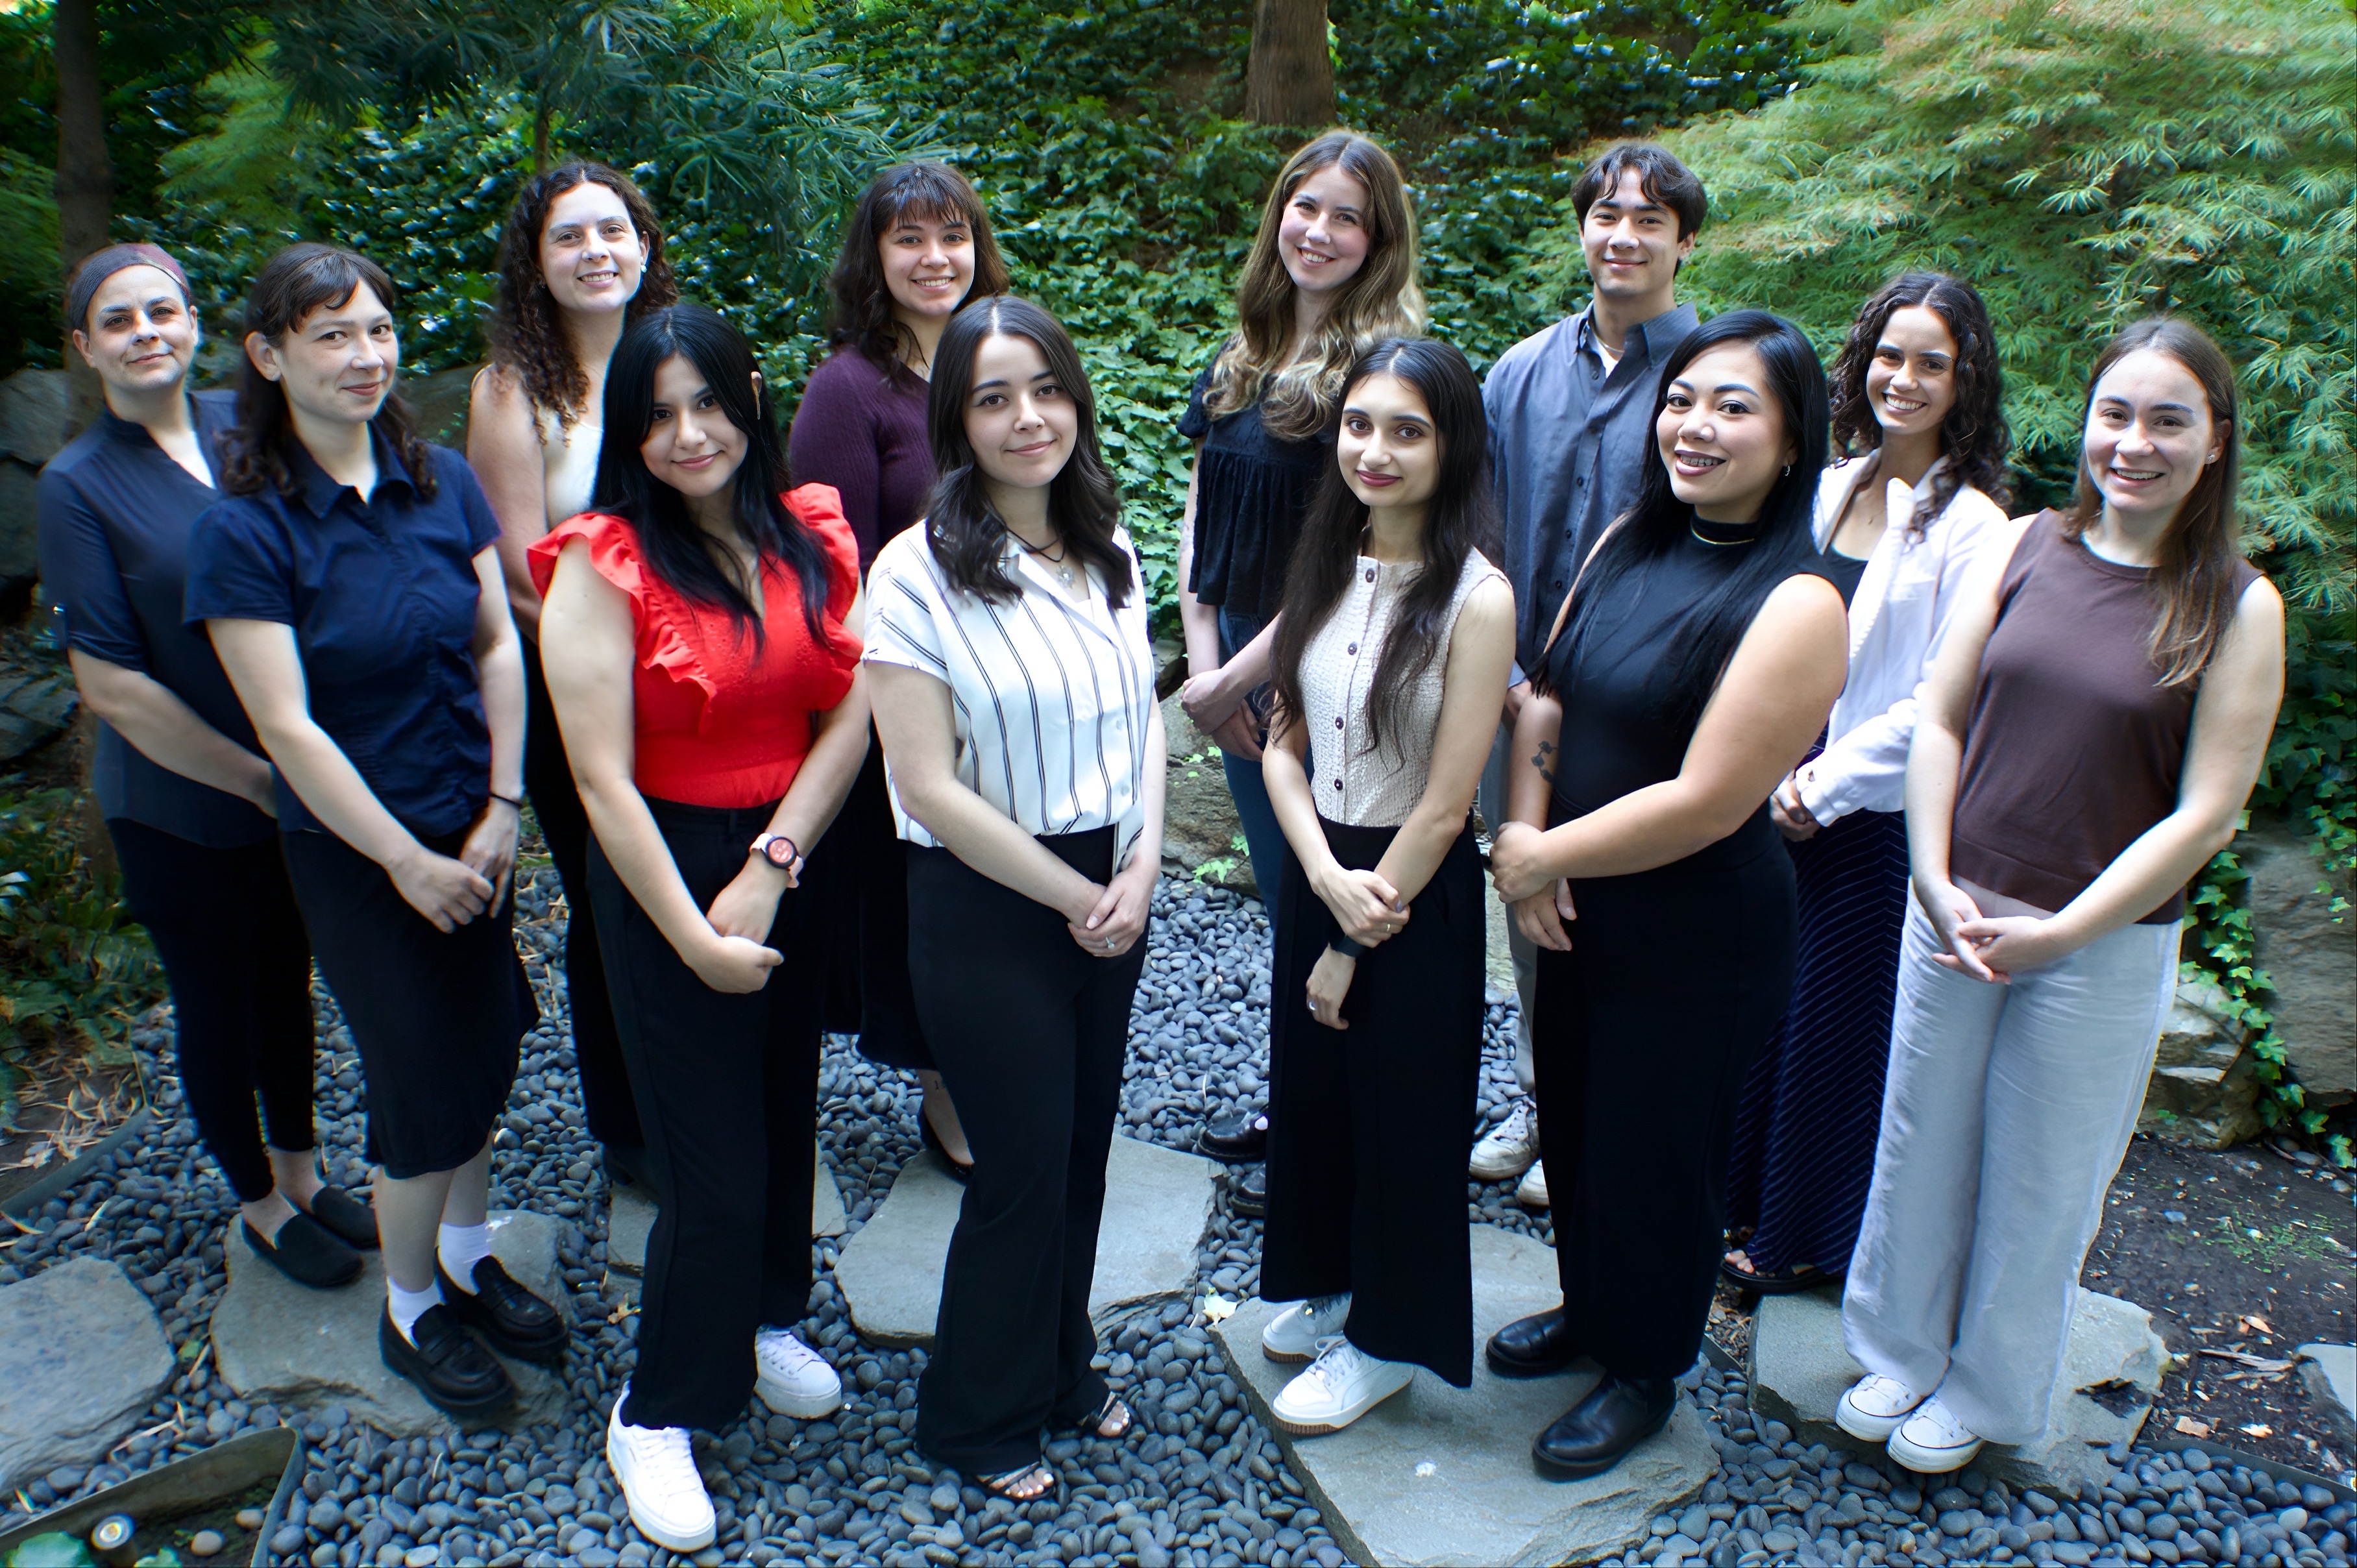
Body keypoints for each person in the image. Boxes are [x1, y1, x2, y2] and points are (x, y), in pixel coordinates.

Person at [1835, 316, 2284, 1474]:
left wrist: (2068, 929)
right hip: (1954, 905)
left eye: (2168, 420)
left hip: (2100, 941)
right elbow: (1940, 717)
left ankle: (1986, 1390)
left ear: (2216, 442)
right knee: (1920, 1137)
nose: (2134, 443)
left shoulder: (2238, 605)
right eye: (2116, 414)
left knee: (2042, 1170)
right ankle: (1898, 1349)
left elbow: (2206, 811)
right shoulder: (2025, 544)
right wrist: (1931, 878)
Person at [188, 243, 559, 1417]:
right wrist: (401, 859)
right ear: (268, 354)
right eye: (332, 334)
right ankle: (408, 1309)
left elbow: (496, 642)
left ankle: (463, 1252)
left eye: (379, 330)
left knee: (490, 1032)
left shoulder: (439, 476)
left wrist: (503, 808)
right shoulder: (244, 528)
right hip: (361, 854)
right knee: (417, 1072)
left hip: (471, 822)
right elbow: (287, 728)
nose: (366, 356)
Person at [1485, 310, 1849, 1478]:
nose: (1694, 426)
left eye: (1733, 406)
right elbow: (1543, 695)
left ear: (1792, 441)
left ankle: (1645, 1366)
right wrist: (1527, 837)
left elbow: (1708, 798)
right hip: (1577, 895)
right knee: (1583, 1121)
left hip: (1699, 927)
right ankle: (1591, 1311)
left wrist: (1548, 859)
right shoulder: (1627, 539)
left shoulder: (1802, 600)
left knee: (1661, 1147)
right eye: (1683, 399)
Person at [533, 304, 864, 1551]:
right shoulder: (600, 562)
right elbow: (602, 783)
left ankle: (766, 1317)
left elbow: (850, 716)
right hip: (662, 867)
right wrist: (694, 931)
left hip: (789, 850)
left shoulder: (807, 532)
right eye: (659, 412)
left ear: (752, 398)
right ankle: (657, 1406)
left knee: (787, 1119)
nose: (689, 434)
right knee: (711, 1165)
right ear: (630, 429)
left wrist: (776, 862)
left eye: (708, 403)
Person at [865, 297, 1164, 1501]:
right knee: (1023, 1164)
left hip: (1109, 883)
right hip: (988, 900)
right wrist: (1076, 896)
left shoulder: (1109, 547)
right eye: (993, 397)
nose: (1026, 417)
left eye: (1044, 387)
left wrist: (1137, 867)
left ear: (1075, 396)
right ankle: (973, 1415)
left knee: (1085, 1152)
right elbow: (926, 786)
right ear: (958, 420)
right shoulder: (913, 573)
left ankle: (1059, 1363)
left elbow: (1143, 712)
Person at [39, 243, 372, 1289]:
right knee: (218, 1003)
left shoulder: (244, 430)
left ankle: (305, 1169)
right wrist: (261, 776)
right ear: (84, 347)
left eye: (162, 311)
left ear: (197, 326)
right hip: (182, 804)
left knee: (287, 981)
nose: (146, 333)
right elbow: (113, 686)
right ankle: (261, 1202)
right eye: (119, 319)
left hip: (298, 775)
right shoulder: (78, 484)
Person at [1720, 272, 2012, 1293]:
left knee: (1834, 1025)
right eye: (1891, 355)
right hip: (1764, 780)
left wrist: (1822, 787)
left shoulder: (1976, 528)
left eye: (1934, 362)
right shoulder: (1826, 483)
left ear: (1967, 381)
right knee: (1758, 999)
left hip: (1868, 813)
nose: (1907, 378)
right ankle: (1736, 1197)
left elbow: (1942, 694)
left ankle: (1803, 1235)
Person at [1254, 338, 1513, 1434]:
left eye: (1407, 430)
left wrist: (1356, 933)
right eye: (1360, 424)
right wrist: (1320, 880)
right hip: (1329, 865)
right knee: (1317, 1099)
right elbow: (1281, 744)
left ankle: (1389, 1343)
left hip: (1415, 888)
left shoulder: (1478, 598)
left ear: (1451, 447)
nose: (1375, 449)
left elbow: (1451, 801)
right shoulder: (1325, 557)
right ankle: (1335, 1284)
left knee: (1405, 1117)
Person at [1175, 129, 1424, 1203]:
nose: (1319, 231)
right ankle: (1306, 1108)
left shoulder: (1375, 376)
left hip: (1322, 665)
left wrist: (1245, 676)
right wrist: (1201, 661)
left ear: (1379, 241)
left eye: (1347, 217)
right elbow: (1197, 512)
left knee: (1332, 893)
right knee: (1289, 897)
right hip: (1231, 660)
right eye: (1304, 207)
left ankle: (1346, 1133)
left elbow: (1362, 548)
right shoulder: (1241, 356)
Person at [1470, 141, 1708, 1212]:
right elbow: (1474, 527)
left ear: (1684, 241)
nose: (1624, 235)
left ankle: (1614, 1121)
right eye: (1607, 215)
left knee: (1635, 910)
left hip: (1647, 702)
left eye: (1650, 220)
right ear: (1583, 229)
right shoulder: (1519, 372)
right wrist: (1507, 669)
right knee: (1528, 892)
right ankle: (1539, 1101)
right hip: (1515, 696)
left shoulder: (1712, 376)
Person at [789, 162, 1012, 1178]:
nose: (935, 259)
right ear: (874, 257)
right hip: (910, 698)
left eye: (951, 235)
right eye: (909, 239)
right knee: (925, 900)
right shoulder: (847, 391)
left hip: (1018, 681)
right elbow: (834, 577)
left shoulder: (999, 355)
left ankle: (1006, 1056)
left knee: (1011, 883)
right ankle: (947, 1094)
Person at [469, 161, 679, 1186]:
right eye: (570, 237)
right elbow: (514, 574)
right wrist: (616, 667)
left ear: (643, 245)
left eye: (613, 230)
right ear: (537, 263)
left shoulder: (684, 362)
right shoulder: (514, 392)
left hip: (697, 689)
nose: (596, 252)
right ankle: (632, 1127)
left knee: (700, 874)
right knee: (612, 900)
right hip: (581, 697)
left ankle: (709, 1088)